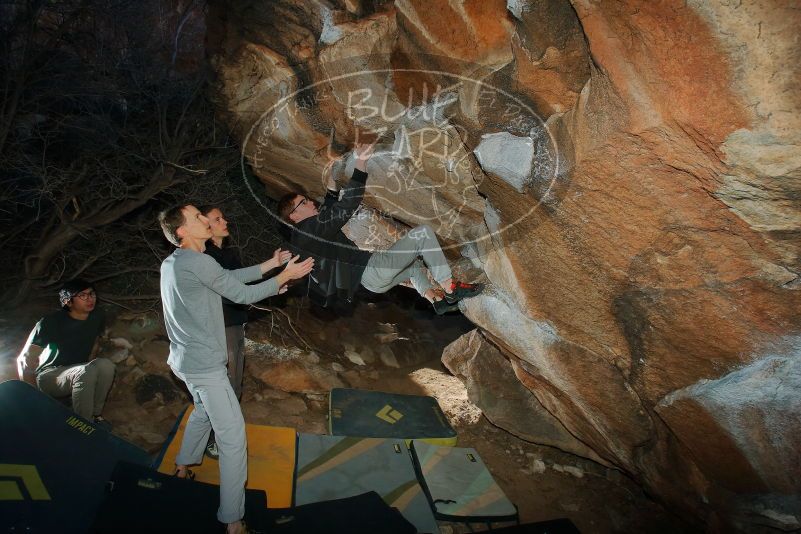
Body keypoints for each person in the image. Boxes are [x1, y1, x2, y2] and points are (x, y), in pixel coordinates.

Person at [158, 204, 313, 534]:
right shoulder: (197, 261)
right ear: (182, 231)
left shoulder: (176, 262)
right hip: (204, 366)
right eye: (198, 217)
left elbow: (226, 279)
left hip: (183, 362)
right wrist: (285, 275)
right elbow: (240, 294)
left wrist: (270, 267)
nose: (205, 219)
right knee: (232, 439)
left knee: (202, 410)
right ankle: (232, 519)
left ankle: (183, 466)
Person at [277, 141, 482, 314]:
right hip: (371, 270)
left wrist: (332, 179)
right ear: (293, 216)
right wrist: (361, 164)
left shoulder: (307, 237)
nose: (310, 202)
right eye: (303, 202)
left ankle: (436, 301)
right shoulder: (308, 230)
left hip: (371, 285)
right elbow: (346, 206)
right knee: (423, 234)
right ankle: (450, 287)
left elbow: (329, 211)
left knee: (414, 267)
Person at [198, 205, 291, 459]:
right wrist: (274, 279)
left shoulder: (226, 253)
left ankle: (220, 436)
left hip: (235, 324)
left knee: (235, 382)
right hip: (220, 327)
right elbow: (228, 283)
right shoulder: (205, 257)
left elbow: (241, 284)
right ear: (206, 225)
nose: (225, 221)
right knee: (226, 385)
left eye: (223, 217)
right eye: (218, 219)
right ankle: (213, 441)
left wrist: (272, 286)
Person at [16, 279, 115, 427]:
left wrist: (89, 371)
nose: (90, 298)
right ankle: (83, 425)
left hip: (78, 369)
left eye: (91, 293)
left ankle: (96, 416)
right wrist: (34, 397)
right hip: (48, 376)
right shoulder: (50, 322)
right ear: (68, 302)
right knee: (85, 371)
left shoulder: (97, 316)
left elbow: (95, 342)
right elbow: (24, 359)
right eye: (82, 295)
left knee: (106, 365)